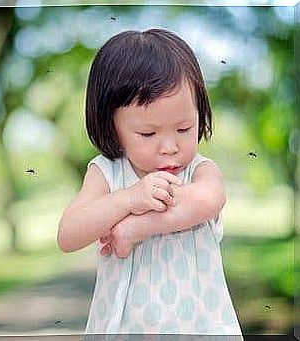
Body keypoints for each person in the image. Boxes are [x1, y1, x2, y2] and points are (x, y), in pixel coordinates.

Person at [57, 28, 243, 338]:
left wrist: (135, 228)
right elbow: (68, 235)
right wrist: (128, 199)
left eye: (184, 129)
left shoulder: (199, 171)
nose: (169, 146)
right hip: (123, 330)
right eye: (148, 134)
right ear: (111, 126)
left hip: (199, 329)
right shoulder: (107, 174)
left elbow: (208, 201)